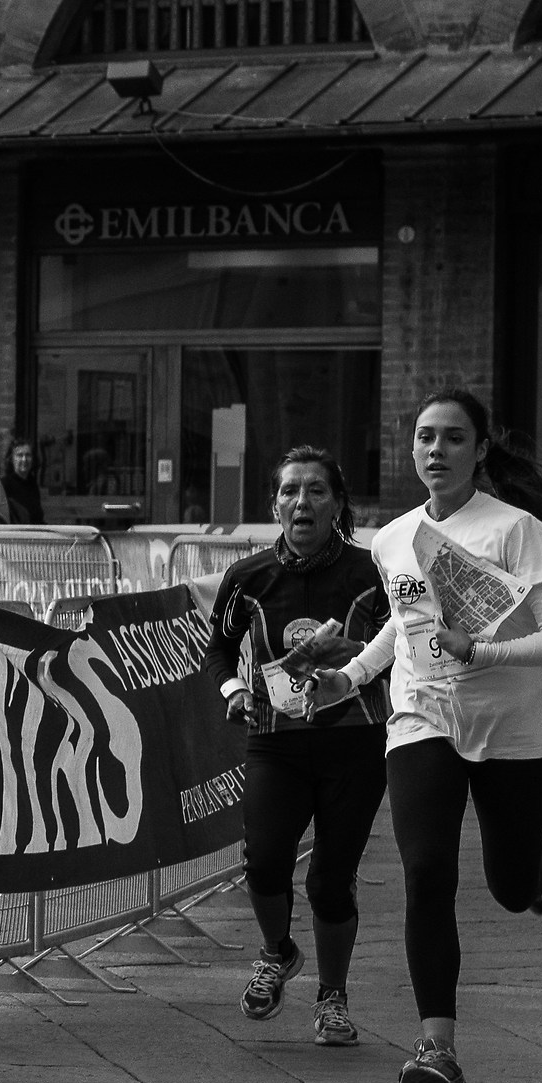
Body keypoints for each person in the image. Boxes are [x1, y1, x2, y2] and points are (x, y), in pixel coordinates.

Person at [309, 388, 542, 1083]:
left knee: (506, 886)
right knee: (426, 869)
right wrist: (349, 675)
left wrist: (484, 648)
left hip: (516, 728)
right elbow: (401, 628)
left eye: (453, 439)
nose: (436, 450)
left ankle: (532, 864)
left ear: (479, 451)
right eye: (425, 438)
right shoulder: (392, 538)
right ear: (410, 449)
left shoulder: (514, 530)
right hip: (421, 715)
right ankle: (436, 1048)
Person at [206, 449, 390, 1049]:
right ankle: (277, 951)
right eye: (289, 492)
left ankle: (332, 998)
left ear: (338, 504)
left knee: (330, 883)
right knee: (262, 860)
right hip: (275, 741)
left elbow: (409, 647)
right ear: (274, 505)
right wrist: (235, 688)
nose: (301, 502)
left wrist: (354, 659)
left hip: (354, 742)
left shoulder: (374, 573)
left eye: (315, 491)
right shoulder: (248, 577)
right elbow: (218, 649)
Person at [2, 438, 46, 525]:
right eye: (19, 455)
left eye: (28, 455)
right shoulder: (4, 484)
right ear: (11, 459)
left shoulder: (32, 483)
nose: (24, 459)